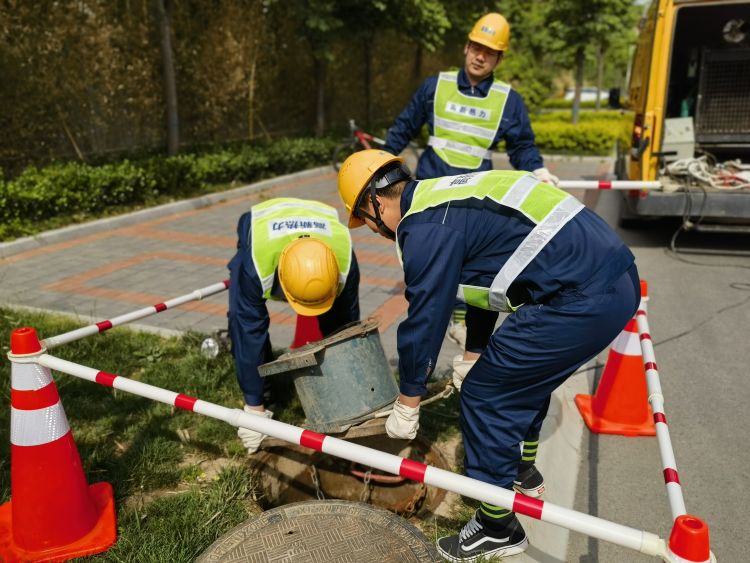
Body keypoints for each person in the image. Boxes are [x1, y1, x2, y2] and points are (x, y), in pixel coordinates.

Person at [337, 150, 640, 562]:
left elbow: (425, 318)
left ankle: (498, 528)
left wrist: (408, 400)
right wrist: (473, 352)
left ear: (375, 202)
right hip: (613, 278)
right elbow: (487, 280)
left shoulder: (422, 228)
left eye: (369, 224)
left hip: (582, 297)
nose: (375, 232)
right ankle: (522, 472)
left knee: (484, 395)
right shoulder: (447, 197)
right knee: (521, 376)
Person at [383, 12, 558, 358]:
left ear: (499, 58)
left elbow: (521, 146)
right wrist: (378, 164)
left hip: (475, 198)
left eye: (489, 52)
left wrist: (537, 170)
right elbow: (403, 127)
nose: (481, 56)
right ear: (466, 47)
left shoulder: (509, 100)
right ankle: (428, 344)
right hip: (431, 196)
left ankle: (464, 337)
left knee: (473, 267)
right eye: (477, 47)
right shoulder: (436, 87)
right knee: (427, 269)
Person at [227, 197, 360, 454]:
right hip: (259, 222)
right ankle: (260, 394)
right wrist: (253, 410)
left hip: (320, 219)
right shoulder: (255, 265)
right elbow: (249, 332)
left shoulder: (344, 262)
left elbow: (347, 326)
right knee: (242, 322)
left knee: (340, 324)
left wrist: (350, 389)